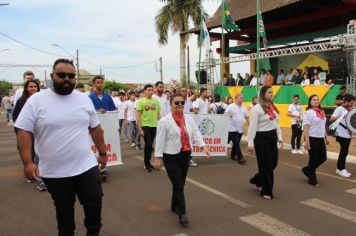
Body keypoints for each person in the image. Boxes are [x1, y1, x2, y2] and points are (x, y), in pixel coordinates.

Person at [15, 58, 107, 236]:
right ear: (52, 76)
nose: (67, 78)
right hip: (55, 172)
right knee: (65, 219)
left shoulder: (84, 100)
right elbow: (24, 131)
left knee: (94, 209)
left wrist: (102, 153)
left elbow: (95, 129)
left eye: (71, 76)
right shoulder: (36, 101)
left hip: (86, 166)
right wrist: (27, 162)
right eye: (62, 75)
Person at [153, 94, 209, 226]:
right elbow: (160, 141)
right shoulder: (164, 121)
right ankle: (182, 213)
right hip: (170, 155)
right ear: (171, 104)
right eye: (176, 102)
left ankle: (174, 205)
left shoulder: (188, 118)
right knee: (178, 184)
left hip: (185, 154)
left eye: (182, 103)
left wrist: (203, 146)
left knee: (180, 183)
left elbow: (195, 133)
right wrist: (157, 158)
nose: (179, 105)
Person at [248, 85, 283, 199]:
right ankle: (267, 191)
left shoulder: (272, 107)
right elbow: (252, 126)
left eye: (272, 92)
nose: (271, 94)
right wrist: (250, 143)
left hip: (272, 136)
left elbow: (275, 124)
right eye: (269, 92)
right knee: (267, 165)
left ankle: (258, 179)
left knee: (273, 163)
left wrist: (279, 136)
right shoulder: (257, 108)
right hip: (261, 139)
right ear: (263, 94)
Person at [12, 79, 43, 188]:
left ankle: (40, 176)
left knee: (39, 154)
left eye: (35, 86)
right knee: (30, 153)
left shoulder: (42, 99)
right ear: (26, 88)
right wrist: (21, 129)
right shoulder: (21, 100)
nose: (33, 88)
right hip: (27, 132)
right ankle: (31, 172)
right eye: (31, 87)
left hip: (39, 131)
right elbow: (15, 116)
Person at [89, 76, 116, 180]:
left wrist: (116, 127)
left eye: (101, 82)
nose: (100, 84)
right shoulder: (90, 97)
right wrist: (97, 110)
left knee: (106, 145)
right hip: (94, 128)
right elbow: (88, 112)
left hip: (107, 126)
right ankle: (95, 169)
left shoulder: (108, 96)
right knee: (94, 147)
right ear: (94, 84)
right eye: (98, 83)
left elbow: (114, 111)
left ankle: (103, 169)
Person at [302, 94, 328, 187]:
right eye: (314, 100)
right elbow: (305, 127)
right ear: (310, 102)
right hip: (312, 138)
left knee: (323, 157)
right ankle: (312, 179)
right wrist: (307, 141)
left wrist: (326, 137)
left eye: (317, 99)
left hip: (321, 138)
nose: (316, 101)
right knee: (313, 159)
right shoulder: (308, 112)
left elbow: (323, 126)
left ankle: (308, 170)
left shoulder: (322, 112)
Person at [136, 84, 161, 172]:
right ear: (145, 91)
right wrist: (140, 129)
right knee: (149, 144)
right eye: (149, 90)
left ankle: (149, 162)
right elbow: (138, 116)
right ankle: (146, 163)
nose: (151, 91)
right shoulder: (140, 101)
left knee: (150, 146)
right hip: (145, 125)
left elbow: (158, 114)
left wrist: (161, 123)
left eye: (152, 90)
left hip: (154, 126)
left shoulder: (156, 102)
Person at [329, 94, 355, 178]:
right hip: (341, 134)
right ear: (346, 101)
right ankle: (341, 169)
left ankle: (339, 168)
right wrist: (342, 116)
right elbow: (331, 119)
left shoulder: (350, 109)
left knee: (344, 151)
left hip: (347, 134)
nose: (352, 104)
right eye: (350, 103)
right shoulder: (340, 108)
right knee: (344, 152)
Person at [225, 93, 249, 164]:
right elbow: (225, 114)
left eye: (242, 98)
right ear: (236, 98)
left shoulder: (244, 107)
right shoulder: (230, 106)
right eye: (240, 98)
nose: (242, 99)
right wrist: (230, 114)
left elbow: (247, 116)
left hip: (240, 128)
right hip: (232, 128)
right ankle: (240, 158)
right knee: (236, 143)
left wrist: (249, 124)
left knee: (236, 143)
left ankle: (232, 156)